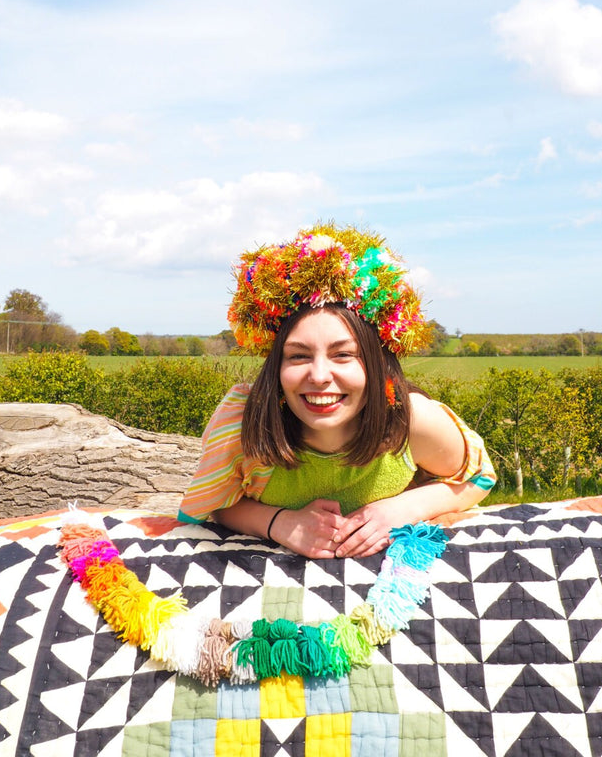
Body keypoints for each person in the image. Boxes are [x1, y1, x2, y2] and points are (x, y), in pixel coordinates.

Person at [179, 224, 496, 558]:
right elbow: (216, 504)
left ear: (376, 364)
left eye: (343, 355)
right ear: (276, 368)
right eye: (298, 356)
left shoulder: (410, 422)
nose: (318, 376)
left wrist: (400, 509)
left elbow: (478, 477)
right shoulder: (245, 426)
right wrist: (280, 523)